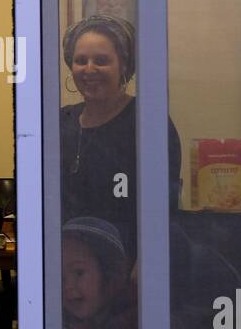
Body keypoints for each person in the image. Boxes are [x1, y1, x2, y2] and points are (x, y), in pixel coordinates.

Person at [60, 14, 182, 262]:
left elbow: (163, 208)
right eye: (81, 60)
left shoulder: (148, 122)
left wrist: (143, 269)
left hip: (130, 269)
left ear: (124, 66)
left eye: (102, 61)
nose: (89, 69)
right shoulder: (61, 121)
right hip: (68, 269)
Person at [62, 217, 136, 329]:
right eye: (60, 277)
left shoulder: (135, 327)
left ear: (109, 272)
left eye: (79, 272)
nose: (67, 286)